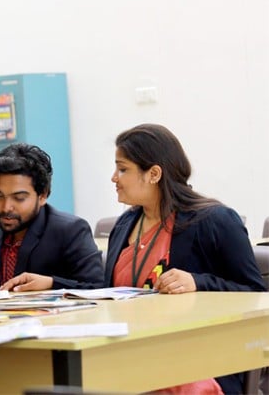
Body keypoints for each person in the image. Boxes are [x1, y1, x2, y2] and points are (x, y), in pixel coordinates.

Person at [106, 123, 266, 395]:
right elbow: (111, 294)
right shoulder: (124, 225)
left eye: (123, 169)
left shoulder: (215, 221)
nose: (113, 177)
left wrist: (198, 282)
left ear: (154, 173)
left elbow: (257, 294)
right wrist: (53, 283)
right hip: (131, 356)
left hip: (198, 364)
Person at [0, 142, 103, 290]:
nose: (6, 207)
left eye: (19, 198)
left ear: (43, 195)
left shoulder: (70, 231)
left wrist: (51, 283)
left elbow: (96, 287)